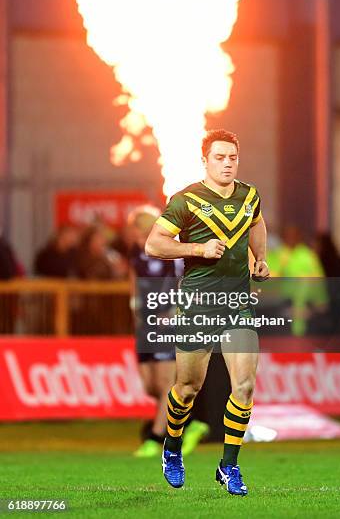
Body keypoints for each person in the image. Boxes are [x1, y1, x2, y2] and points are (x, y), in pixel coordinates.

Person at [145, 129, 269, 496]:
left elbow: (257, 223)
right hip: (198, 305)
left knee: (244, 385)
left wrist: (260, 258)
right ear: (205, 160)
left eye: (232, 158)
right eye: (220, 158)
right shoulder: (186, 200)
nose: (227, 164)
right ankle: (171, 447)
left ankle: (229, 465)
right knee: (187, 388)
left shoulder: (250, 195)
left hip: (237, 305)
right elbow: (155, 244)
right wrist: (198, 250)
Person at [128, 206, 209, 458]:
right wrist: (136, 313)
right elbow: (133, 288)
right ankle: (192, 421)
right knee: (150, 386)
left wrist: (177, 311)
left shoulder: (173, 254)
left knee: (165, 385)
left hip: (170, 324)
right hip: (147, 325)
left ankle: (155, 439)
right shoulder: (136, 255)